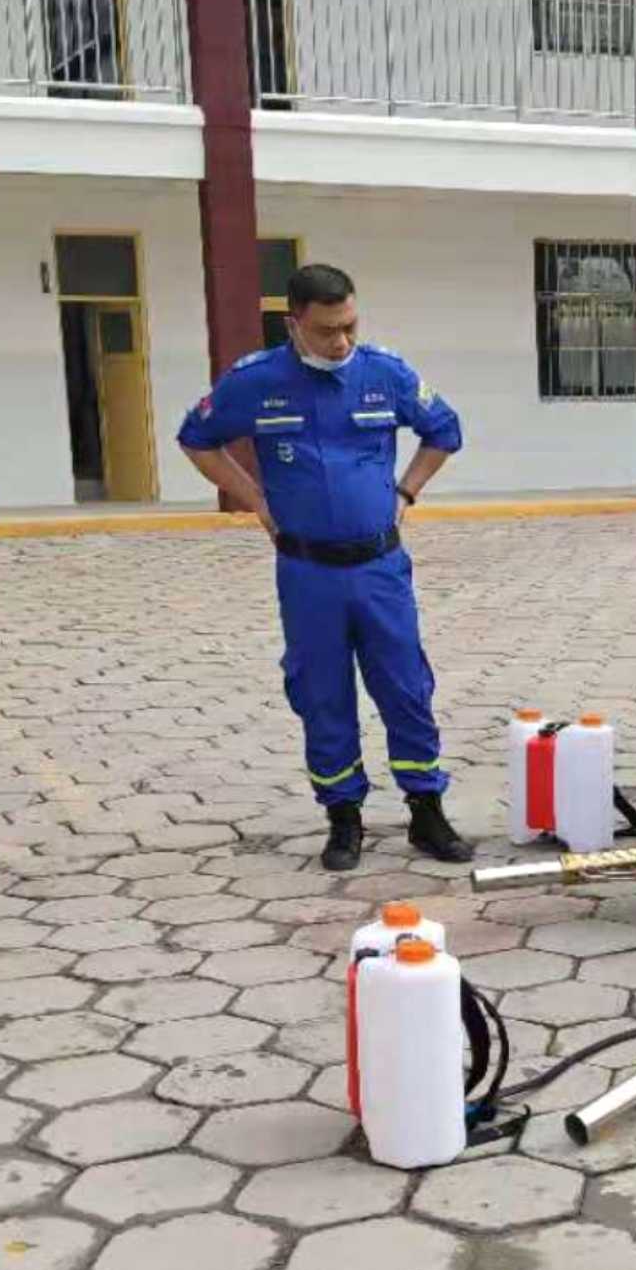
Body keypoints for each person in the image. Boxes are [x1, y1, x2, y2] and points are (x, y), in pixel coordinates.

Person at [177, 263, 472, 870]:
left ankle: (426, 811)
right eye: (326, 330)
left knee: (406, 687)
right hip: (307, 572)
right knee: (321, 692)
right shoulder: (256, 381)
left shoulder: (385, 373)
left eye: (350, 326)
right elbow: (196, 439)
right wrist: (254, 498)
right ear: (293, 324)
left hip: (379, 568)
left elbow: (444, 431)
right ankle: (343, 818)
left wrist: (406, 492)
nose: (341, 342)